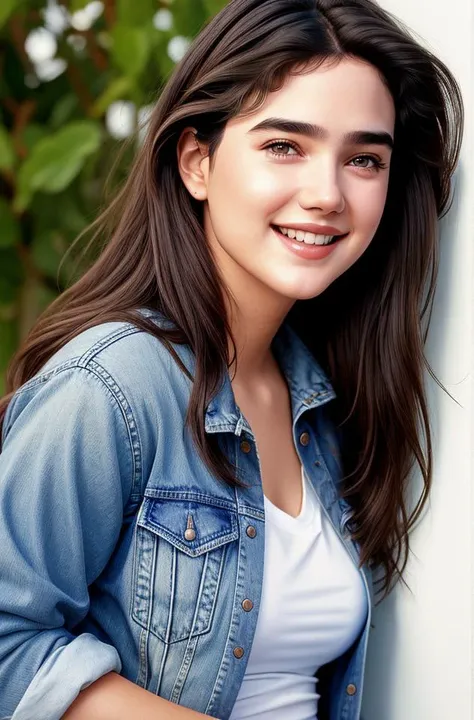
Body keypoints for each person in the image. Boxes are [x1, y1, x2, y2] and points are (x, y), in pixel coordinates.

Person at [0, 0, 464, 718]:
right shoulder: (108, 389)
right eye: (285, 146)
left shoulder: (324, 402)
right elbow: (8, 644)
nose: (326, 194)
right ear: (197, 162)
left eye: (363, 159)